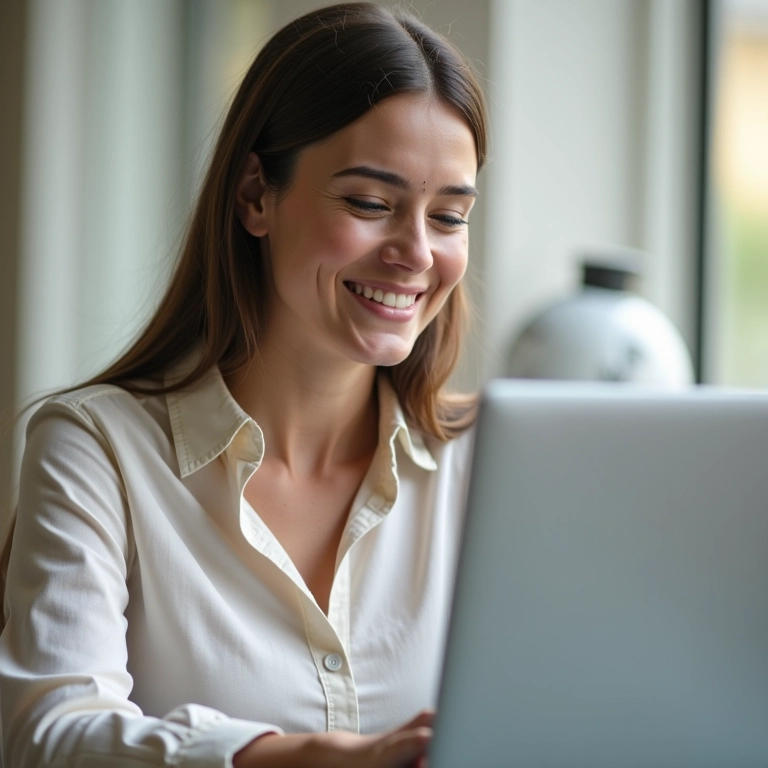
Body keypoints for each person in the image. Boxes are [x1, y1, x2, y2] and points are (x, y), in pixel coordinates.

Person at [0, 2, 487, 766]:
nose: (417, 254)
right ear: (256, 195)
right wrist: (301, 759)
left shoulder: (488, 466)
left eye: (450, 216)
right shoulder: (97, 448)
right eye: (369, 203)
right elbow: (50, 734)